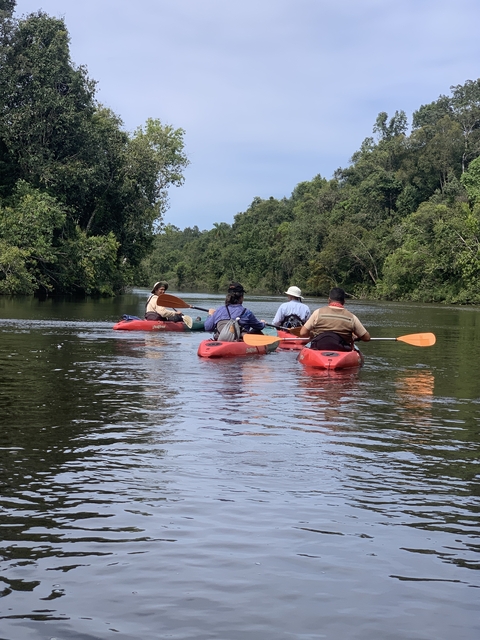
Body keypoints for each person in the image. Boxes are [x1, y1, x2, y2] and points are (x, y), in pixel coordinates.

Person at [299, 287, 370, 351]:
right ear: (344, 302)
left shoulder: (317, 313)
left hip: (319, 347)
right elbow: (367, 338)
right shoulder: (352, 317)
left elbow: (302, 333)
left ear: (329, 300)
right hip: (341, 349)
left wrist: (312, 335)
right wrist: (356, 337)